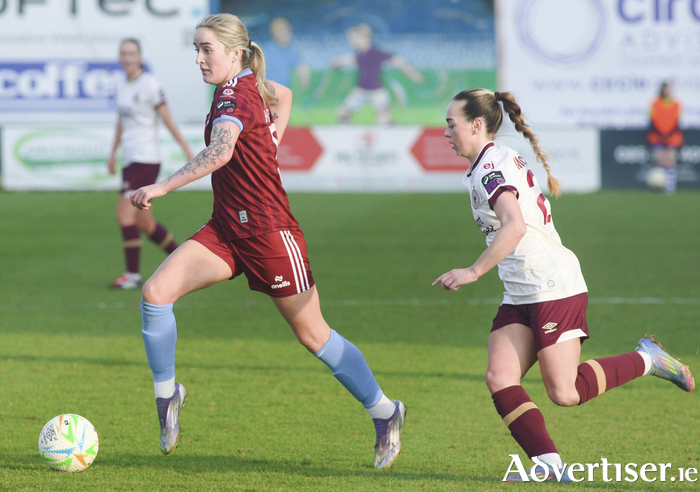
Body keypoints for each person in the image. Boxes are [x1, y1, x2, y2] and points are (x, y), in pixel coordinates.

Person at [129, 13, 406, 469]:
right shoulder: (241, 87)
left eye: (206, 50)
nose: (199, 59)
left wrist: (162, 186)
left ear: (235, 53)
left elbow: (220, 152)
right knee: (156, 294)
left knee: (313, 335)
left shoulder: (235, 95)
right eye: (195, 49)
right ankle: (167, 396)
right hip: (225, 229)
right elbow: (286, 95)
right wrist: (273, 135)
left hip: (269, 233)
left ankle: (385, 410)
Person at [433, 88, 695, 482]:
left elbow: (515, 226)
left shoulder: (491, 167)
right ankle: (549, 465)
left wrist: (472, 272)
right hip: (521, 289)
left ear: (476, 124)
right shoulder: (490, 161)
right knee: (499, 377)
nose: (446, 132)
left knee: (566, 392)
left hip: (551, 285)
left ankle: (648, 359)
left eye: (451, 124)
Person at [108, 38, 194, 290]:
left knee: (124, 214)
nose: (127, 58)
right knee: (145, 223)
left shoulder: (150, 84)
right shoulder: (122, 84)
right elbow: (121, 123)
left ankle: (132, 276)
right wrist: (113, 153)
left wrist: (185, 146)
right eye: (123, 53)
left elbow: (166, 118)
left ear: (139, 56)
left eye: (132, 53)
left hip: (146, 158)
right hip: (131, 158)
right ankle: (184, 261)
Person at [331, 23, 424, 124]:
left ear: (363, 38)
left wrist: (414, 75)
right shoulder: (359, 54)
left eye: (353, 37)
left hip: (377, 91)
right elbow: (347, 60)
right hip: (361, 90)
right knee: (342, 113)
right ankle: (348, 134)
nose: (351, 40)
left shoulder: (376, 53)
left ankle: (392, 135)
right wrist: (337, 63)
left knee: (384, 119)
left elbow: (399, 61)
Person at [647, 81, 683, 194]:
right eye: (666, 89)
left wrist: (668, 134)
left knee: (670, 160)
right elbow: (652, 119)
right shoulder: (655, 103)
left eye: (669, 89)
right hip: (657, 136)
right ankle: (661, 185)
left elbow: (677, 120)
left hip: (672, 136)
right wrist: (660, 134)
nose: (668, 91)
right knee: (661, 161)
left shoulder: (676, 104)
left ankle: (670, 186)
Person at [264, 17, 310, 89]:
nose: (283, 34)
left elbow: (300, 65)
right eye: (279, 31)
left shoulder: (291, 51)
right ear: (273, 33)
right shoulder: (267, 50)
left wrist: (304, 77)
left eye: (286, 31)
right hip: (267, 90)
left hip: (282, 90)